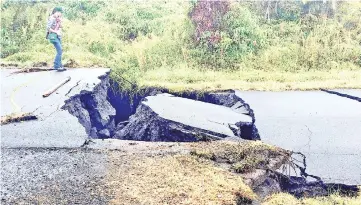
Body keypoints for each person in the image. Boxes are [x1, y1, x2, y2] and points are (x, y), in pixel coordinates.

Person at [46, 7, 66, 71]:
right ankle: (56, 66)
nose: (60, 14)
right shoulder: (51, 18)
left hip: (57, 36)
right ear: (56, 12)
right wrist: (56, 32)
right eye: (60, 13)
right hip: (53, 36)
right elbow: (48, 28)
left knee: (60, 50)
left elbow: (59, 27)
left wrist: (60, 22)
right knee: (59, 50)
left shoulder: (57, 18)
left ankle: (60, 65)